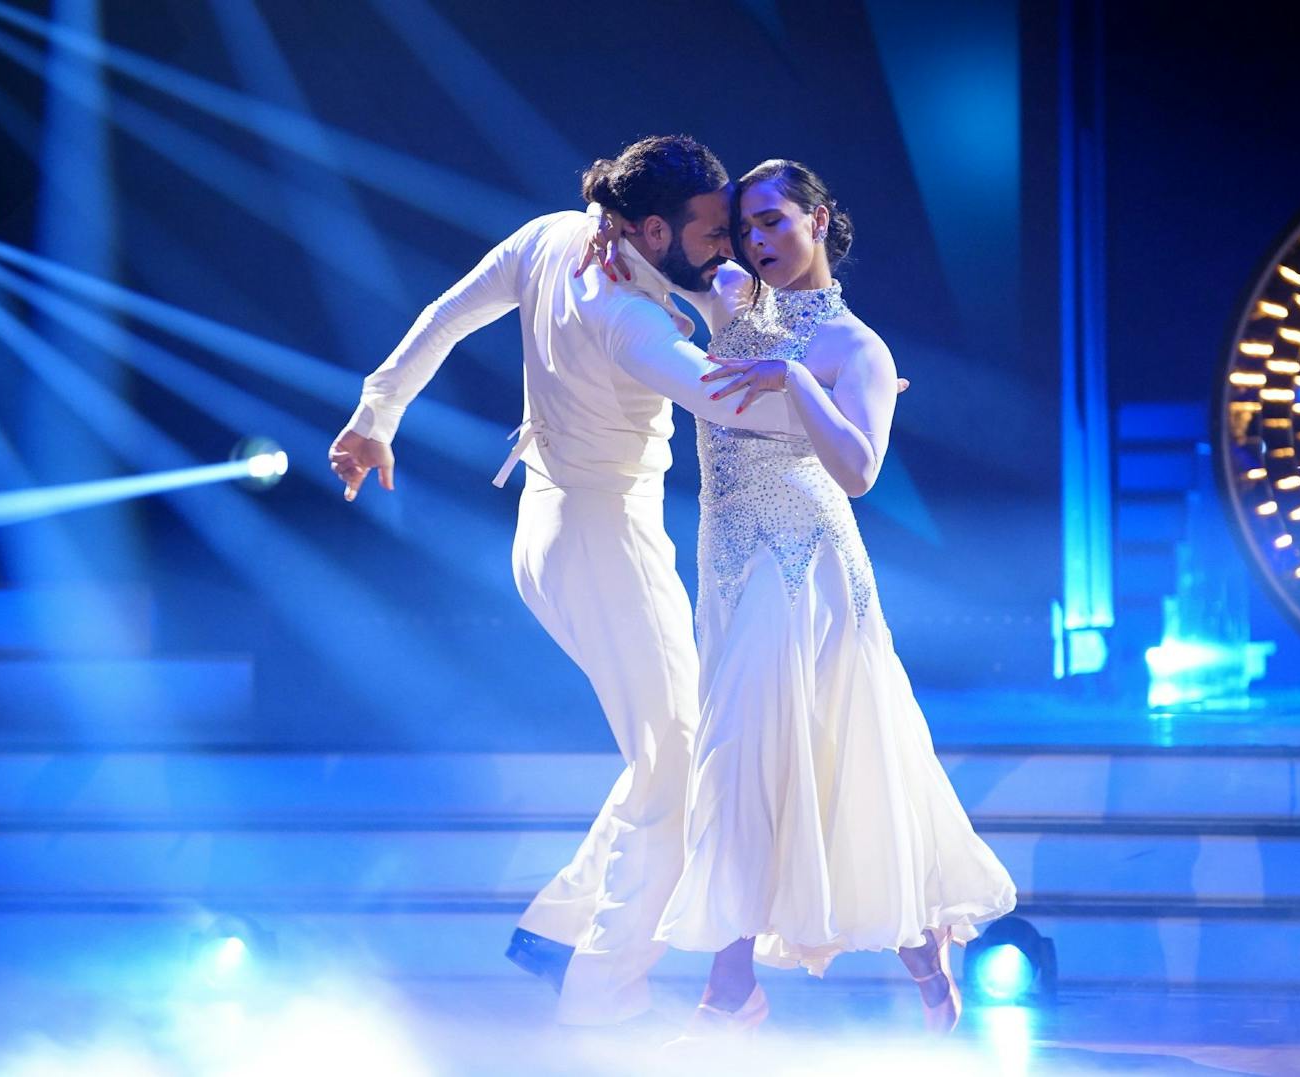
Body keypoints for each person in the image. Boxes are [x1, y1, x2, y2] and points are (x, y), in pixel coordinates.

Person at [327, 137, 895, 1027]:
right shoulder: (630, 319)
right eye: (714, 230)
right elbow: (727, 396)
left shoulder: (558, 235)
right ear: (657, 227)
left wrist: (375, 414)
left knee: (668, 752)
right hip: (602, 544)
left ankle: (562, 931)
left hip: (552, 532)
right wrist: (851, 393)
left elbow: (444, 314)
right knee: (677, 771)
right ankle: (601, 991)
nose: (730, 248)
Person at [646, 160, 1018, 1039]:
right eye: (747, 226)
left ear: (819, 219)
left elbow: (857, 472)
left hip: (805, 566)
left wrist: (796, 378)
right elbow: (643, 275)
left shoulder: (858, 348)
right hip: (729, 566)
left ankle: (733, 988)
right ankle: (912, 954)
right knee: (800, 763)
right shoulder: (733, 306)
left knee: (764, 754)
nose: (758, 240)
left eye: (775, 221)